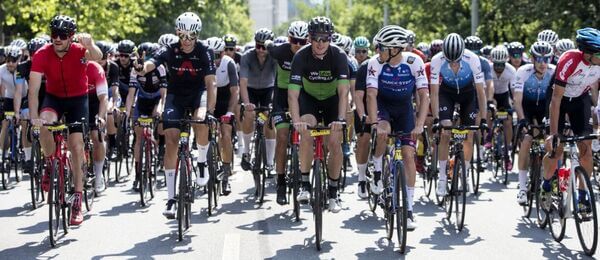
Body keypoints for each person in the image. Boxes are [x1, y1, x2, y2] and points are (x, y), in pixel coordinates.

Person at [137, 12, 216, 219]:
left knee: (200, 120)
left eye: (192, 36)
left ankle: (201, 163)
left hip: (198, 94)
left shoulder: (205, 51)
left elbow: (211, 83)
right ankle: (171, 198)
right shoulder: (170, 48)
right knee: (171, 139)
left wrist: (210, 111)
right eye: (183, 35)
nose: (187, 41)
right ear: (177, 33)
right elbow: (152, 62)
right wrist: (142, 67)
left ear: (197, 35)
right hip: (176, 96)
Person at [29, 15, 103, 225]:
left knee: (77, 146)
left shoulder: (80, 50)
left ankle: (78, 199)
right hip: (54, 98)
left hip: (78, 100)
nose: (58, 39)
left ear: (71, 37)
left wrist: (90, 43)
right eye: (54, 34)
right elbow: (33, 90)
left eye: (63, 35)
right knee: (44, 122)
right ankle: (50, 162)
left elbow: (97, 57)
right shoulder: (42, 54)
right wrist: (33, 116)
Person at [366, 25, 429, 230]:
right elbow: (371, 95)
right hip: (383, 107)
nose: (377, 51)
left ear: (394, 49)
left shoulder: (414, 61)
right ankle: (376, 169)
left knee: (409, 154)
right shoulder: (375, 63)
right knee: (383, 133)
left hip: (404, 109)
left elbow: (423, 95)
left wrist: (419, 124)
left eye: (381, 47)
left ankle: (409, 209)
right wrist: (375, 123)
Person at [288, 16, 349, 213]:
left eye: (325, 39)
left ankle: (333, 192)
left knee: (334, 142)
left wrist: (340, 120)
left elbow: (343, 93)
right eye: (316, 39)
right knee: (306, 130)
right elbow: (293, 93)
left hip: (332, 100)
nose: (321, 43)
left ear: (330, 38)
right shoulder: (300, 57)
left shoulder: (339, 56)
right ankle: (305, 183)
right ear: (310, 38)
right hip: (309, 99)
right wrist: (296, 121)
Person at [541, 28, 600, 212]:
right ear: (588, 53)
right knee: (556, 149)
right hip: (559, 100)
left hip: (580, 100)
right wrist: (553, 134)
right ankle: (546, 184)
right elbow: (556, 99)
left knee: (586, 148)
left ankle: (582, 196)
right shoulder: (569, 60)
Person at [430, 33, 487, 196]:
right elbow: (434, 93)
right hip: (446, 93)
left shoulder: (473, 59)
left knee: (468, 133)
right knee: (445, 131)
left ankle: (465, 174)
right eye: (450, 60)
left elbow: (480, 92)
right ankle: (442, 178)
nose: (453, 63)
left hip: (468, 93)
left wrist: (482, 119)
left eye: (456, 60)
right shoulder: (437, 60)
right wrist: (435, 119)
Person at [266, 21, 309, 205]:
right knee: (282, 136)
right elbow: (268, 47)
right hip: (282, 97)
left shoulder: (311, 53)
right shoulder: (280, 51)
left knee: (307, 134)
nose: (297, 45)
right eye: (294, 40)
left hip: (302, 96)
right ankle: (281, 182)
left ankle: (307, 178)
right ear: (289, 38)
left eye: (302, 41)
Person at [512, 41, 555, 204]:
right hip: (527, 108)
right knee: (527, 140)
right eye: (539, 59)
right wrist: (522, 120)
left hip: (545, 108)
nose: (543, 63)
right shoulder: (523, 72)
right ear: (532, 59)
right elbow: (517, 100)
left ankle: (551, 180)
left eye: (547, 59)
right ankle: (522, 187)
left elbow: (559, 98)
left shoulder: (553, 72)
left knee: (551, 142)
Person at [127, 42, 166, 192]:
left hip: (156, 99)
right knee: (138, 137)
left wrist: (161, 107)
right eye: (144, 56)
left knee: (161, 123)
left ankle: (160, 148)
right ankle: (138, 175)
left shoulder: (160, 68)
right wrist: (129, 111)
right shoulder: (134, 70)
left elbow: (164, 94)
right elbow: (131, 94)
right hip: (142, 101)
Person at [239, 28, 277, 175]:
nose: (261, 50)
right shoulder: (247, 57)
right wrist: (247, 103)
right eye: (258, 46)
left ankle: (269, 161)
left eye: (264, 47)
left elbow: (278, 81)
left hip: (268, 90)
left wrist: (274, 102)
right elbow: (242, 82)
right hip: (251, 90)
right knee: (249, 116)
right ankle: (247, 152)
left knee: (269, 120)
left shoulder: (274, 57)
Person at [204, 37, 239, 196]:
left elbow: (235, 92)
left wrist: (230, 112)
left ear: (224, 53)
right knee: (205, 134)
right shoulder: (203, 62)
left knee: (225, 134)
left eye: (218, 55)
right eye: (212, 55)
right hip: (208, 98)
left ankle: (225, 175)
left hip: (225, 99)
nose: (215, 59)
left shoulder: (228, 63)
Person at [85, 61, 109, 193]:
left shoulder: (95, 68)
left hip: (95, 102)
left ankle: (99, 175)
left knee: (97, 136)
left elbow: (104, 98)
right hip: (78, 102)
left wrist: (100, 117)